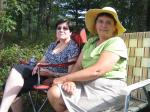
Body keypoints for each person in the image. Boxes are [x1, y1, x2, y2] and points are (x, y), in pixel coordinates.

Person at [47, 7, 128, 112]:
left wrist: (65, 79)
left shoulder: (116, 42)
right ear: (95, 25)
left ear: (114, 28)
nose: (104, 25)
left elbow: (98, 70)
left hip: (107, 88)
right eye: (100, 21)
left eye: (108, 22)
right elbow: (78, 65)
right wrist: (72, 81)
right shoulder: (91, 42)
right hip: (85, 83)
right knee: (53, 93)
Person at [0, 19, 80, 112]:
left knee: (15, 73)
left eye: (65, 28)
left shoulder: (72, 47)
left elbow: (70, 74)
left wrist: (51, 73)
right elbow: (42, 61)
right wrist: (38, 65)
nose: (61, 30)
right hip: (40, 74)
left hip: (52, 79)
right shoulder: (53, 45)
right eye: (59, 28)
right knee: (9, 83)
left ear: (70, 32)